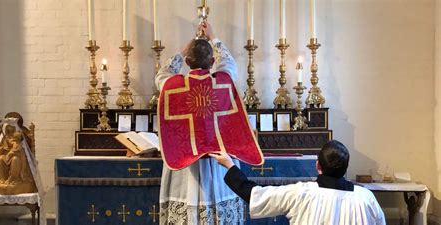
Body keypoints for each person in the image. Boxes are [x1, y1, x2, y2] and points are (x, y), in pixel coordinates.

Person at [157, 22, 244, 224]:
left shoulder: (174, 86)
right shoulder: (222, 82)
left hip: (185, 165)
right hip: (217, 162)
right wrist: (213, 38)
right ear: (213, 61)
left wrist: (182, 50)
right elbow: (229, 63)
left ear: (187, 62)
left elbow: (161, 74)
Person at [210, 140, 387, 225]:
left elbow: (253, 194)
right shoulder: (366, 198)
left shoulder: (301, 193)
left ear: (317, 165)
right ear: (346, 167)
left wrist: (229, 165)